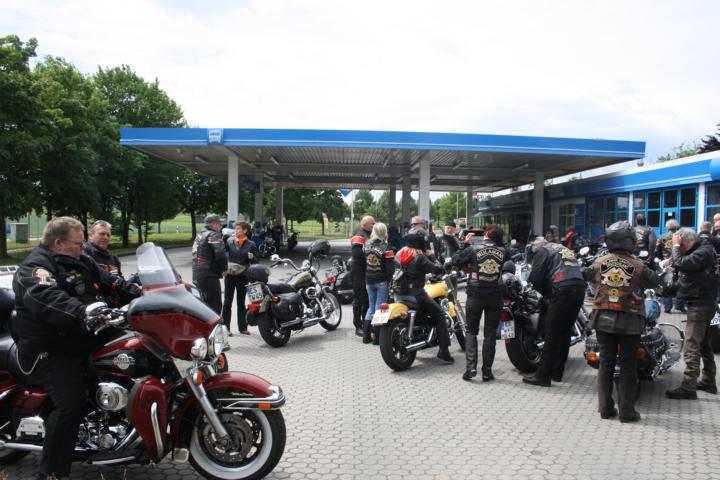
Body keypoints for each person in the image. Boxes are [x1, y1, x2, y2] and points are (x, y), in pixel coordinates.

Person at [12, 217, 140, 480]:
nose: (83, 247)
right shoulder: (35, 269)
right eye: (78, 243)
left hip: (80, 339)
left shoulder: (81, 260)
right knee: (70, 404)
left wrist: (145, 292)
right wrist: (84, 313)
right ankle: (52, 474)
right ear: (58, 243)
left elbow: (109, 281)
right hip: (49, 349)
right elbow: (50, 298)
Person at [585, 222, 659, 422]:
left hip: (602, 318)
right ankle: (627, 412)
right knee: (628, 366)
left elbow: (586, 275)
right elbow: (654, 281)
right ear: (630, 241)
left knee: (606, 363)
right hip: (630, 320)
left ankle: (605, 409)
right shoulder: (638, 265)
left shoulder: (599, 262)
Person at [523, 225, 586, 387]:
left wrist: (547, 296)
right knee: (565, 332)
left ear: (537, 247)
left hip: (562, 289)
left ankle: (542, 376)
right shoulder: (563, 249)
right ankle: (557, 372)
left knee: (551, 333)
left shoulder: (543, 251)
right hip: (579, 288)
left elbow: (535, 278)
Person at [665, 228, 718, 399]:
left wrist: (675, 248)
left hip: (700, 303)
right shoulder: (703, 249)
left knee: (691, 344)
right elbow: (685, 266)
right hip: (703, 301)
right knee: (704, 344)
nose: (681, 248)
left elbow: (684, 264)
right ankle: (709, 381)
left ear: (690, 240)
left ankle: (688, 387)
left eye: (682, 245)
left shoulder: (704, 251)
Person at [452, 224, 508, 381]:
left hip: (475, 294)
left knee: (471, 331)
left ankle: (471, 368)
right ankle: (487, 372)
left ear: (487, 235)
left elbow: (456, 261)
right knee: (490, 334)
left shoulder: (473, 249)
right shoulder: (503, 251)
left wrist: (463, 244)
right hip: (495, 295)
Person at [396, 228, 454, 363]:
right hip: (416, 293)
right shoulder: (419, 257)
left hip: (400, 294)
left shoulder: (401, 254)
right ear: (420, 242)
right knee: (440, 315)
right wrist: (433, 257)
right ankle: (444, 351)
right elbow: (436, 269)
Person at [222, 220, 258, 336]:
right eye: (235, 229)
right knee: (227, 301)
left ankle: (243, 328)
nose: (236, 231)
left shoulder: (251, 244)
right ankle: (226, 328)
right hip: (230, 275)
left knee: (241, 302)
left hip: (243, 275)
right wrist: (223, 239)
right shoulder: (230, 241)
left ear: (245, 230)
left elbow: (257, 261)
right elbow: (221, 252)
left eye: (238, 229)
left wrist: (252, 258)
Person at [363, 222, 395, 344]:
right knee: (380, 309)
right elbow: (390, 268)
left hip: (368, 279)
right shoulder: (387, 247)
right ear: (384, 232)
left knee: (371, 307)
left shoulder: (366, 244)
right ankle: (377, 339)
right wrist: (390, 279)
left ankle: (366, 336)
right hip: (381, 280)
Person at [192, 214, 228, 314]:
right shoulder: (213, 235)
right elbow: (220, 253)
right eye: (220, 224)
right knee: (215, 305)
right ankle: (214, 324)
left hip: (197, 274)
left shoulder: (199, 235)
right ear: (214, 224)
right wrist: (224, 269)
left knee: (203, 303)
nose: (221, 227)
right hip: (209, 274)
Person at [351, 215, 375, 336]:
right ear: (365, 224)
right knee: (359, 299)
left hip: (367, 272)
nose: (374, 225)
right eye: (372, 223)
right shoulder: (359, 235)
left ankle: (366, 325)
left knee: (367, 299)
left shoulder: (370, 235)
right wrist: (371, 258)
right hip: (358, 272)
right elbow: (357, 254)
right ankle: (357, 325)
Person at [657, 218, 685, 313]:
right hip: (679, 262)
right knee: (681, 284)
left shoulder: (661, 237)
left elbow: (657, 251)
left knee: (666, 284)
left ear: (667, 227)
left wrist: (661, 260)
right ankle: (680, 305)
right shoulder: (680, 237)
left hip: (667, 263)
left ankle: (667, 307)